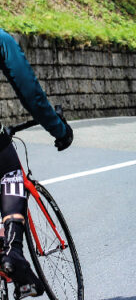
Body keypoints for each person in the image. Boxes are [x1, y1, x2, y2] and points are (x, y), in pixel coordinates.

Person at [0, 29, 73, 298]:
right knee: (10, 172)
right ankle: (13, 251)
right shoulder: (1, 39)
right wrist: (59, 129)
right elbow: (32, 94)